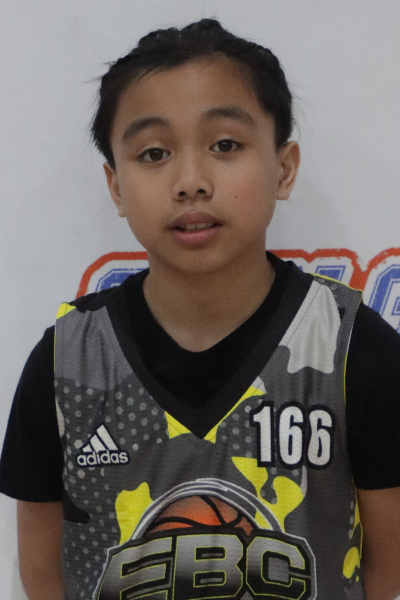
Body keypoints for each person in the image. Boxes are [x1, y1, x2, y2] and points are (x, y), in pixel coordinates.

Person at [1, 18, 400, 600]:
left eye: (225, 145)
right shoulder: (66, 362)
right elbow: (42, 574)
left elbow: (386, 572)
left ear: (284, 167)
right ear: (116, 186)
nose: (190, 182)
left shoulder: (354, 349)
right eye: (154, 153)